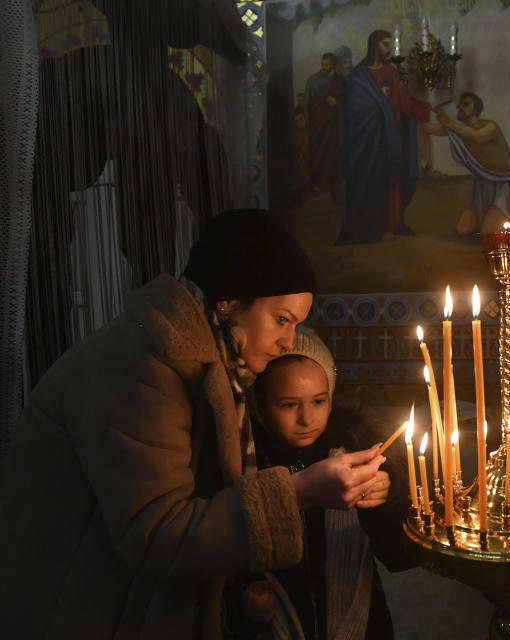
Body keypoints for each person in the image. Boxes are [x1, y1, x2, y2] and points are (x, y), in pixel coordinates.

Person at [0, 209, 385, 639]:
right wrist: (297, 493)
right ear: (228, 301)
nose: (289, 342)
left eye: (296, 324)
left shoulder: (219, 365)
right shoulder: (139, 365)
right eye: (281, 319)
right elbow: (155, 534)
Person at [227, 328, 412, 639]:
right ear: (259, 404)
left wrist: (388, 494)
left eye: (318, 401)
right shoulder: (246, 467)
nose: (306, 418)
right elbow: (224, 565)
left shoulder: (357, 456)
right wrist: (246, 613)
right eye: (288, 404)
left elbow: (399, 553)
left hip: (362, 624)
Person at [337, 29, 439, 244]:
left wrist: (429, 107)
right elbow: (353, 110)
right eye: (385, 45)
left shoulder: (391, 72)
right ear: (374, 46)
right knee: (375, 181)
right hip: (369, 140)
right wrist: (378, 102)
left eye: (389, 45)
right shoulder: (358, 76)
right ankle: (374, 228)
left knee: (394, 180)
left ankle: (393, 224)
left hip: (392, 136)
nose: (388, 49)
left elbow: (405, 102)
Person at [424, 91, 510, 234]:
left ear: (476, 109)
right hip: (484, 185)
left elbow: (476, 136)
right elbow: (426, 128)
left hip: (507, 185)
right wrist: (425, 109)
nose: (460, 107)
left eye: (466, 104)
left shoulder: (489, 127)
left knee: (488, 231)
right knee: (462, 229)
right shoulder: (459, 130)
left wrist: (446, 120)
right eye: (460, 104)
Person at [304, 52, 346, 200]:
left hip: (332, 126)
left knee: (332, 155)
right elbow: (309, 104)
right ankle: (318, 183)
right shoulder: (314, 81)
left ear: (333, 66)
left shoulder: (339, 81)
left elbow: (347, 103)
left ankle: (330, 184)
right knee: (318, 154)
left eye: (327, 65)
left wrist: (337, 104)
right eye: (322, 64)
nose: (323, 67)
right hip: (318, 126)